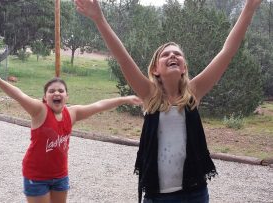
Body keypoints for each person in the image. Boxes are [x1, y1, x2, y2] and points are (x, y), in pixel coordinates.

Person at [73, 0, 262, 202]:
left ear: (183, 68)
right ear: (155, 69)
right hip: (157, 196)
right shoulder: (148, 95)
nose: (172, 55)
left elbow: (227, 52)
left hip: (195, 194)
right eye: (165, 54)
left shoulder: (194, 92)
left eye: (177, 54)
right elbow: (123, 58)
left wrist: (249, 7)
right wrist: (99, 19)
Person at [0, 72, 142, 203]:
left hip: (60, 175)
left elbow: (98, 105)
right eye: (51, 91)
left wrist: (124, 99)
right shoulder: (39, 111)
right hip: (36, 176)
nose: (56, 93)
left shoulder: (72, 113)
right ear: (45, 97)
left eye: (61, 91)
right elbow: (20, 96)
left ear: (67, 96)